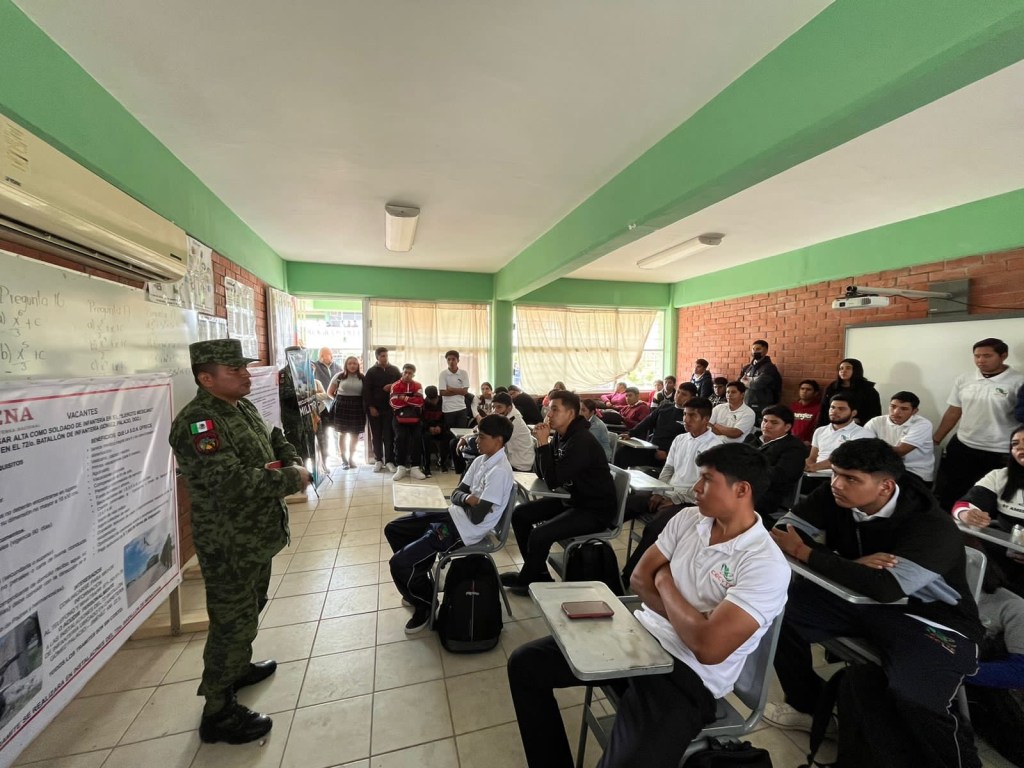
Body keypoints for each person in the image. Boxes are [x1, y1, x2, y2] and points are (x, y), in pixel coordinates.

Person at [507, 442, 789, 768]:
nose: (695, 489)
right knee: (526, 664)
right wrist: (695, 620)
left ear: (742, 490)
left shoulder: (765, 564)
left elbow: (708, 649)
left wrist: (665, 581)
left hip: (687, 676)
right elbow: (640, 578)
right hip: (639, 635)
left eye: (708, 480)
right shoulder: (687, 519)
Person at [767, 439, 982, 768]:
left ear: (885, 486)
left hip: (931, 618)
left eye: (850, 478)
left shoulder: (930, 525)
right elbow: (782, 533)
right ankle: (811, 707)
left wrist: (809, 553)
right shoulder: (834, 495)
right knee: (778, 612)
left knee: (915, 697)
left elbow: (886, 589)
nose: (837, 483)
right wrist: (848, 565)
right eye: (836, 473)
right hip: (859, 601)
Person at [169, 339, 312, 744]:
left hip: (257, 536)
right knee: (231, 623)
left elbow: (273, 439)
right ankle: (218, 710)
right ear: (206, 378)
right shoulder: (200, 423)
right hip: (230, 543)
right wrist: (292, 478)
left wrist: (290, 457)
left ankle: (239, 668)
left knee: (250, 609)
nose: (247, 375)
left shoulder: (241, 407)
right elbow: (230, 482)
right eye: (236, 371)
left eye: (245, 368)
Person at [385, 414, 515, 633]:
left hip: (463, 531)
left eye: (481, 437)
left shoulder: (500, 472)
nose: (476, 441)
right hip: (452, 515)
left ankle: (426, 603)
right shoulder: (480, 460)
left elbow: (476, 517)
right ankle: (417, 581)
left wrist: (465, 500)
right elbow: (457, 493)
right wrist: (467, 500)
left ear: (498, 441)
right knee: (395, 530)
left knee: (398, 564)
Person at [501, 390, 616, 595]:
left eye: (555, 409)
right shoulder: (562, 436)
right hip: (572, 499)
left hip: (594, 509)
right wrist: (541, 443)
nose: (549, 413)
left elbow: (553, 480)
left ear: (571, 414)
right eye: (549, 408)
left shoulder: (581, 441)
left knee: (540, 533)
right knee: (520, 515)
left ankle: (527, 581)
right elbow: (543, 473)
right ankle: (538, 575)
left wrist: (544, 443)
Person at [620, 397, 720, 581]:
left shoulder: (715, 447)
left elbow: (704, 484)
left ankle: (629, 577)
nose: (686, 420)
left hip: (689, 501)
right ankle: (590, 548)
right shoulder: (680, 439)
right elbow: (669, 468)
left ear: (706, 419)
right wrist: (660, 491)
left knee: (654, 528)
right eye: (684, 414)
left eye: (692, 416)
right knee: (624, 505)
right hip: (668, 491)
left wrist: (675, 499)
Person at [934, 338, 1024, 511]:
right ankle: (951, 525)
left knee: (992, 496)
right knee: (953, 489)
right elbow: (954, 411)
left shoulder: (1018, 381)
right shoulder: (965, 379)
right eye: (977, 356)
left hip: (1000, 450)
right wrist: (937, 439)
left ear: (1003, 356)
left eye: (987, 356)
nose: (980, 361)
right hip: (964, 444)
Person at [953, 424, 1024, 595]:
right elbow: (963, 504)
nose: (1020, 448)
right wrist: (967, 514)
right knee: (956, 534)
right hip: (1004, 548)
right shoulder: (1000, 476)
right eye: (1015, 444)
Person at [745, 404, 810, 525]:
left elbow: (781, 475)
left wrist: (748, 468)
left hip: (768, 494)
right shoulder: (752, 439)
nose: (767, 425)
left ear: (787, 427)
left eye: (774, 423)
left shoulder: (794, 447)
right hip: (742, 485)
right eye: (765, 421)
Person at [614, 384, 694, 469]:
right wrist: (630, 434)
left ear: (692, 398)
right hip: (652, 449)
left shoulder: (690, 416)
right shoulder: (664, 407)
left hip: (670, 455)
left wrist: (667, 454)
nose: (679, 396)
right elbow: (646, 422)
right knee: (622, 453)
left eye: (684, 394)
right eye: (678, 392)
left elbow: (689, 441)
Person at [803, 393, 871, 492]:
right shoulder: (820, 431)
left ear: (853, 413)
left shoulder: (863, 434)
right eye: (832, 407)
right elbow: (812, 457)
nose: (834, 411)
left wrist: (814, 467)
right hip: (814, 476)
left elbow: (845, 460)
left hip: (840, 479)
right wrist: (804, 466)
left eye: (841, 409)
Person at [864, 391, 936, 482]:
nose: (896, 412)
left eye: (904, 409)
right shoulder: (876, 421)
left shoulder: (922, 424)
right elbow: (862, 447)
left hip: (913, 472)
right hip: (883, 469)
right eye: (893, 406)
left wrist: (872, 447)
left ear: (914, 411)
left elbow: (900, 451)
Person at [363, 346, 401, 473]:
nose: (385, 358)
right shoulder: (371, 372)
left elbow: (401, 385)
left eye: (386, 355)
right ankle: (378, 459)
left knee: (389, 435)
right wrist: (371, 407)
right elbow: (366, 391)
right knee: (376, 435)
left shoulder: (394, 370)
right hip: (375, 409)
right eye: (382, 356)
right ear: (377, 357)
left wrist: (393, 386)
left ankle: (389, 461)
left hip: (390, 408)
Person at [817, 358, 882, 427]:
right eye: (841, 368)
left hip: (859, 427)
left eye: (848, 368)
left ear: (856, 370)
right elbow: (823, 411)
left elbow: (874, 414)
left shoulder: (868, 390)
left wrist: (855, 420)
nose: (843, 371)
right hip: (833, 426)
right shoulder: (832, 388)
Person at [326, 355, 364, 469]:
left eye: (355, 363)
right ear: (346, 365)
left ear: (358, 365)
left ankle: (352, 459)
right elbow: (329, 392)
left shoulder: (362, 377)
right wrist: (339, 401)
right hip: (342, 407)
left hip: (357, 406)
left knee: (355, 434)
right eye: (350, 363)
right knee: (342, 434)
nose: (352, 366)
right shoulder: (339, 376)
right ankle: (344, 460)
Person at [389, 363, 426, 480]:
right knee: (400, 438)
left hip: (415, 418)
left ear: (413, 374)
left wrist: (403, 398)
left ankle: (415, 467)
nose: (407, 375)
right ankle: (401, 467)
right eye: (405, 372)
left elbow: (420, 402)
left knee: (417, 438)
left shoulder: (418, 385)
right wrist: (411, 399)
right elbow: (393, 403)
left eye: (410, 373)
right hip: (399, 418)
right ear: (402, 372)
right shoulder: (395, 386)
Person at [490, 392, 536, 472]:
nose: (495, 411)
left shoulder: (513, 421)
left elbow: (493, 438)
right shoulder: (507, 416)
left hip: (521, 465)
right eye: (493, 407)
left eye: (499, 407)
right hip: (512, 461)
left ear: (509, 408)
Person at [738, 339, 781, 420]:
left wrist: (744, 381)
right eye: (753, 349)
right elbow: (738, 385)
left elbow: (756, 385)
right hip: (746, 404)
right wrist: (749, 381)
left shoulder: (769, 368)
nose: (755, 352)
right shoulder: (747, 368)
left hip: (762, 407)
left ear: (766, 350)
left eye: (758, 349)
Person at [419, 385, 450, 475]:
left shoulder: (443, 402)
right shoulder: (423, 404)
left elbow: (446, 418)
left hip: (440, 428)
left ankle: (442, 462)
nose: (433, 401)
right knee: (425, 438)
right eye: (431, 399)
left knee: (447, 436)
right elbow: (421, 420)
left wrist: (440, 427)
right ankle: (426, 466)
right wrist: (429, 428)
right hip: (428, 428)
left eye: (434, 399)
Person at [439, 349, 471, 430]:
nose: (451, 361)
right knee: (449, 435)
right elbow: (442, 392)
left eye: (453, 359)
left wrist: (451, 389)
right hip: (448, 409)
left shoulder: (463, 373)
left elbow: (465, 392)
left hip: (461, 408)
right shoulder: (443, 374)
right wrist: (459, 390)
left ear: (458, 360)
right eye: (448, 359)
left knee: (461, 433)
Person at [580, 397, 614, 461]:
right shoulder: (584, 421)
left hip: (601, 456)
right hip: (590, 452)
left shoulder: (597, 426)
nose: (580, 413)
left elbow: (585, 443)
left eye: (583, 410)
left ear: (592, 412)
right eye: (580, 410)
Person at [790, 379, 822, 444]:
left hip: (807, 444)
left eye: (808, 389)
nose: (804, 391)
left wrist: (810, 442)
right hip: (790, 441)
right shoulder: (793, 406)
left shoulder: (819, 408)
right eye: (802, 389)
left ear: (816, 393)